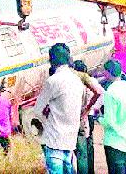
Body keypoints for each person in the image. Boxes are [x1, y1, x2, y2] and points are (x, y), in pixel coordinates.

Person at [34, 43, 85, 174]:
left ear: (51, 60)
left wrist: (48, 120)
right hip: (71, 142)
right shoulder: (77, 81)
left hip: (54, 142)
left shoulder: (53, 81)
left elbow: (37, 110)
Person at [97, 60, 126, 174]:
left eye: (104, 71)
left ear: (108, 72)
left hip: (114, 142)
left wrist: (98, 118)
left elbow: (109, 121)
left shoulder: (110, 92)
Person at [73, 60, 104, 174]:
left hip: (81, 117)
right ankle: (90, 170)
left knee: (80, 148)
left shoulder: (76, 83)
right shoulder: (92, 81)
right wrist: (93, 108)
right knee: (89, 144)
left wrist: (86, 110)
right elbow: (101, 95)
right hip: (90, 116)